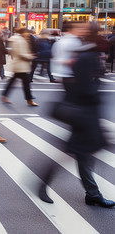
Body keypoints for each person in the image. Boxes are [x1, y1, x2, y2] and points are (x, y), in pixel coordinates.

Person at [39, 27, 115, 208]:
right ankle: (42, 183)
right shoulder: (88, 57)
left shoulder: (85, 55)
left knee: (82, 155)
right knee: (75, 152)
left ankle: (92, 193)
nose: (108, 42)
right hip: (84, 117)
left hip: (84, 116)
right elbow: (85, 88)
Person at [1, 28, 38, 106]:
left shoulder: (20, 39)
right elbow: (21, 53)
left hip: (19, 65)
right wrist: (31, 57)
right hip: (21, 65)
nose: (28, 34)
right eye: (27, 32)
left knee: (13, 81)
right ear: (23, 33)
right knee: (26, 83)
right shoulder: (20, 41)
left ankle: (4, 95)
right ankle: (29, 99)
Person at [51, 21, 86, 100]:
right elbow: (57, 58)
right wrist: (71, 61)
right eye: (79, 28)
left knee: (71, 98)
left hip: (69, 74)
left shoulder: (67, 40)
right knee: (73, 99)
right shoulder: (71, 41)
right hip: (71, 75)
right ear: (71, 29)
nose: (82, 30)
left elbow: (55, 56)